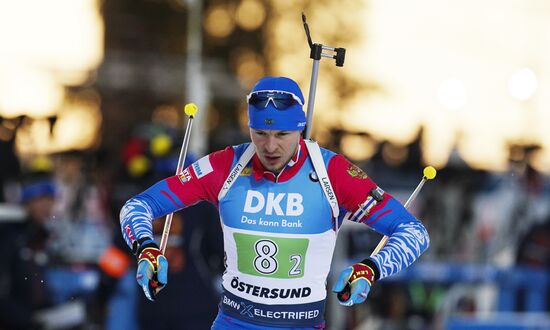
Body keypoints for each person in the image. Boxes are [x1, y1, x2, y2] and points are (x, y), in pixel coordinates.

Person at [119, 76, 430, 329]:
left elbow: (413, 232)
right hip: (234, 322)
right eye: (260, 132)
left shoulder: (332, 173)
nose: (270, 146)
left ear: (300, 128)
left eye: (282, 133)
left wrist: (371, 269)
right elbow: (137, 207)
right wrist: (146, 247)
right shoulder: (227, 166)